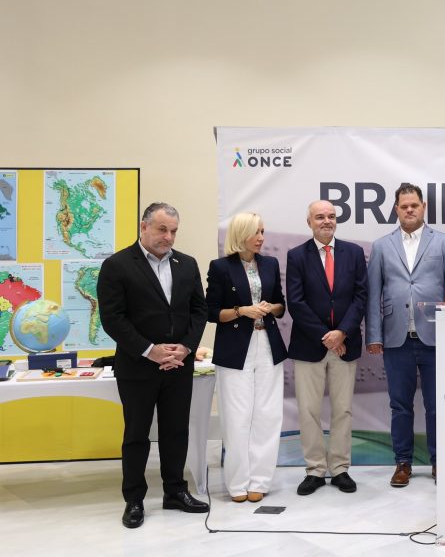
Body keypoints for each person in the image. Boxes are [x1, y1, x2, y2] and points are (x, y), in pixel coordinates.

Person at [97, 202, 209, 529]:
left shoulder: (187, 264)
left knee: (176, 431)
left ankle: (175, 491)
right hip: (138, 366)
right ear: (143, 226)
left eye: (173, 231)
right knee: (137, 434)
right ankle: (134, 499)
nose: (168, 237)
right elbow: (112, 318)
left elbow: (198, 311)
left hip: (179, 364)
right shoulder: (117, 265)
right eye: (162, 229)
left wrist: (185, 348)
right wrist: (150, 350)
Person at [366, 183, 445, 486]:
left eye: (414, 205)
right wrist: (374, 336)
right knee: (400, 405)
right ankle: (402, 463)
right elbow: (373, 294)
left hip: (437, 338)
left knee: (437, 405)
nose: (409, 210)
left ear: (423, 207)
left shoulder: (444, 243)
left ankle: (440, 461)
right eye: (404, 206)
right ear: (396, 209)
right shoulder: (382, 245)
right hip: (396, 338)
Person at [285, 200, 368, 495]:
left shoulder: (354, 253)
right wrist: (327, 336)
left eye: (331, 216)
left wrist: (342, 333)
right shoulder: (296, 255)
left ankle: (340, 468)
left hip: (346, 344)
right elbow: (296, 302)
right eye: (320, 217)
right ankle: (315, 470)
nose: (327, 221)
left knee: (343, 409)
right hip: (310, 346)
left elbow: (361, 296)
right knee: (308, 410)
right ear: (309, 222)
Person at [206, 212, 288, 503]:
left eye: (263, 231)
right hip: (234, 348)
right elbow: (212, 312)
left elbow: (281, 306)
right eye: (256, 232)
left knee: (268, 414)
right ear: (242, 234)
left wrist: (269, 308)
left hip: (268, 344)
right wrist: (242, 311)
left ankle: (260, 480)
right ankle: (237, 483)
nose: (261, 238)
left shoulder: (270, 264)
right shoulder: (220, 267)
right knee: (236, 416)